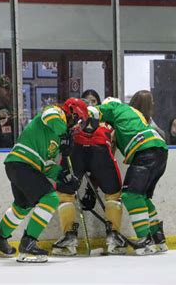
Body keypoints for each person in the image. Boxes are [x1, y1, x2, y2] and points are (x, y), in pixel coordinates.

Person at [0, 98, 88, 263]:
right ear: (72, 113)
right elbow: (51, 117)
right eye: (79, 120)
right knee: (51, 198)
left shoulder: (55, 137)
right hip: (22, 164)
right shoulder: (55, 112)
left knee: (22, 207)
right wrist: (65, 136)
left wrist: (63, 176)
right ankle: (28, 242)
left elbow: (46, 166)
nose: (78, 126)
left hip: (19, 166)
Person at [52, 91, 125, 256]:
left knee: (65, 194)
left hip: (75, 149)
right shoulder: (107, 119)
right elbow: (111, 145)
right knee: (113, 195)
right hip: (101, 149)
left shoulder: (74, 114)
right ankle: (114, 238)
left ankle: (69, 238)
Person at [93, 97, 168, 255]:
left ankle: (145, 240)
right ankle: (158, 238)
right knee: (142, 197)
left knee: (130, 195)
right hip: (158, 150)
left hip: (145, 151)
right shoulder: (131, 114)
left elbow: (93, 112)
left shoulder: (113, 107)